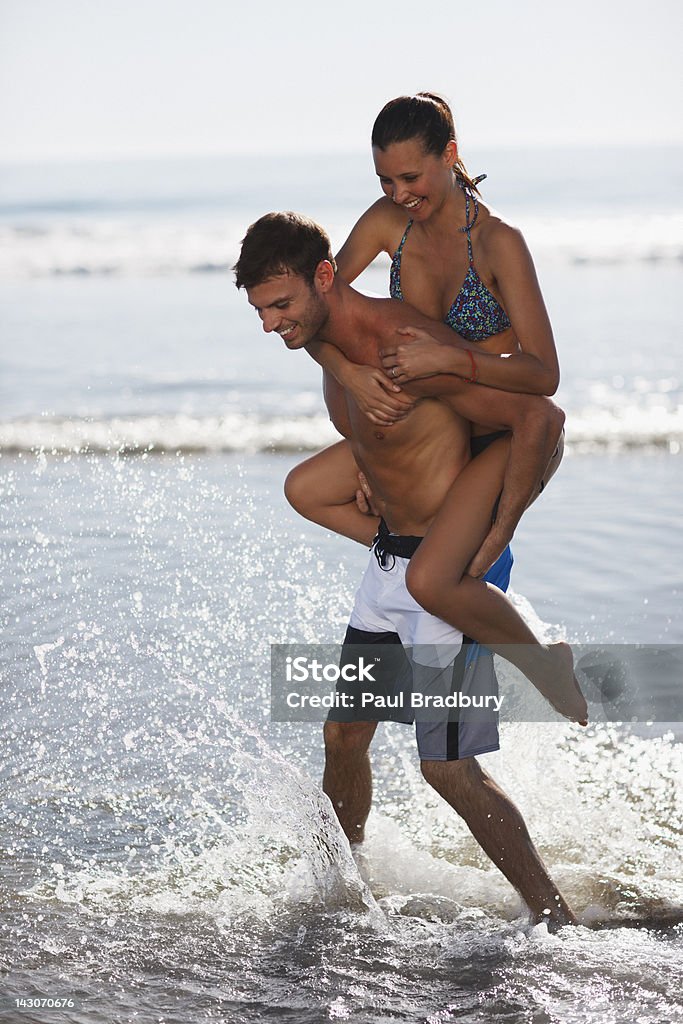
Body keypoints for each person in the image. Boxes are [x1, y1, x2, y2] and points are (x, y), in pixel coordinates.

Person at [234, 211, 584, 927]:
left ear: (324, 278)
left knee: (447, 770)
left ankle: (553, 915)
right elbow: (344, 373)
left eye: (280, 305)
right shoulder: (323, 340)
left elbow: (539, 417)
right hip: (385, 573)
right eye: (260, 310)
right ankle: (343, 891)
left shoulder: (407, 347)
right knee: (342, 735)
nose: (270, 325)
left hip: (439, 586)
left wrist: (501, 527)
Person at [290, 92, 562, 585]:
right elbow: (316, 310)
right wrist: (351, 381)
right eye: (385, 181)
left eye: (410, 178)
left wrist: (453, 360)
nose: (398, 194)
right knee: (307, 493)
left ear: (449, 155)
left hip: (493, 433)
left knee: (458, 589)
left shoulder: (499, 243)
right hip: (427, 430)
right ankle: (405, 552)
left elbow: (544, 374)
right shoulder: (386, 222)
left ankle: (524, 637)